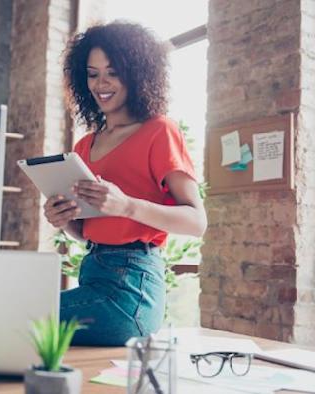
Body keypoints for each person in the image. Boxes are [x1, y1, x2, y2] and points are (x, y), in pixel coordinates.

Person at [43, 21, 208, 346]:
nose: (101, 83)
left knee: (19, 314)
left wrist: (126, 204)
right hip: (93, 274)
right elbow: (90, 231)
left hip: (132, 288)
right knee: (18, 316)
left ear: (136, 73)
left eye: (113, 72)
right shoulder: (83, 147)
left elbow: (197, 222)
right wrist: (64, 221)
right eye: (92, 73)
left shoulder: (159, 131)